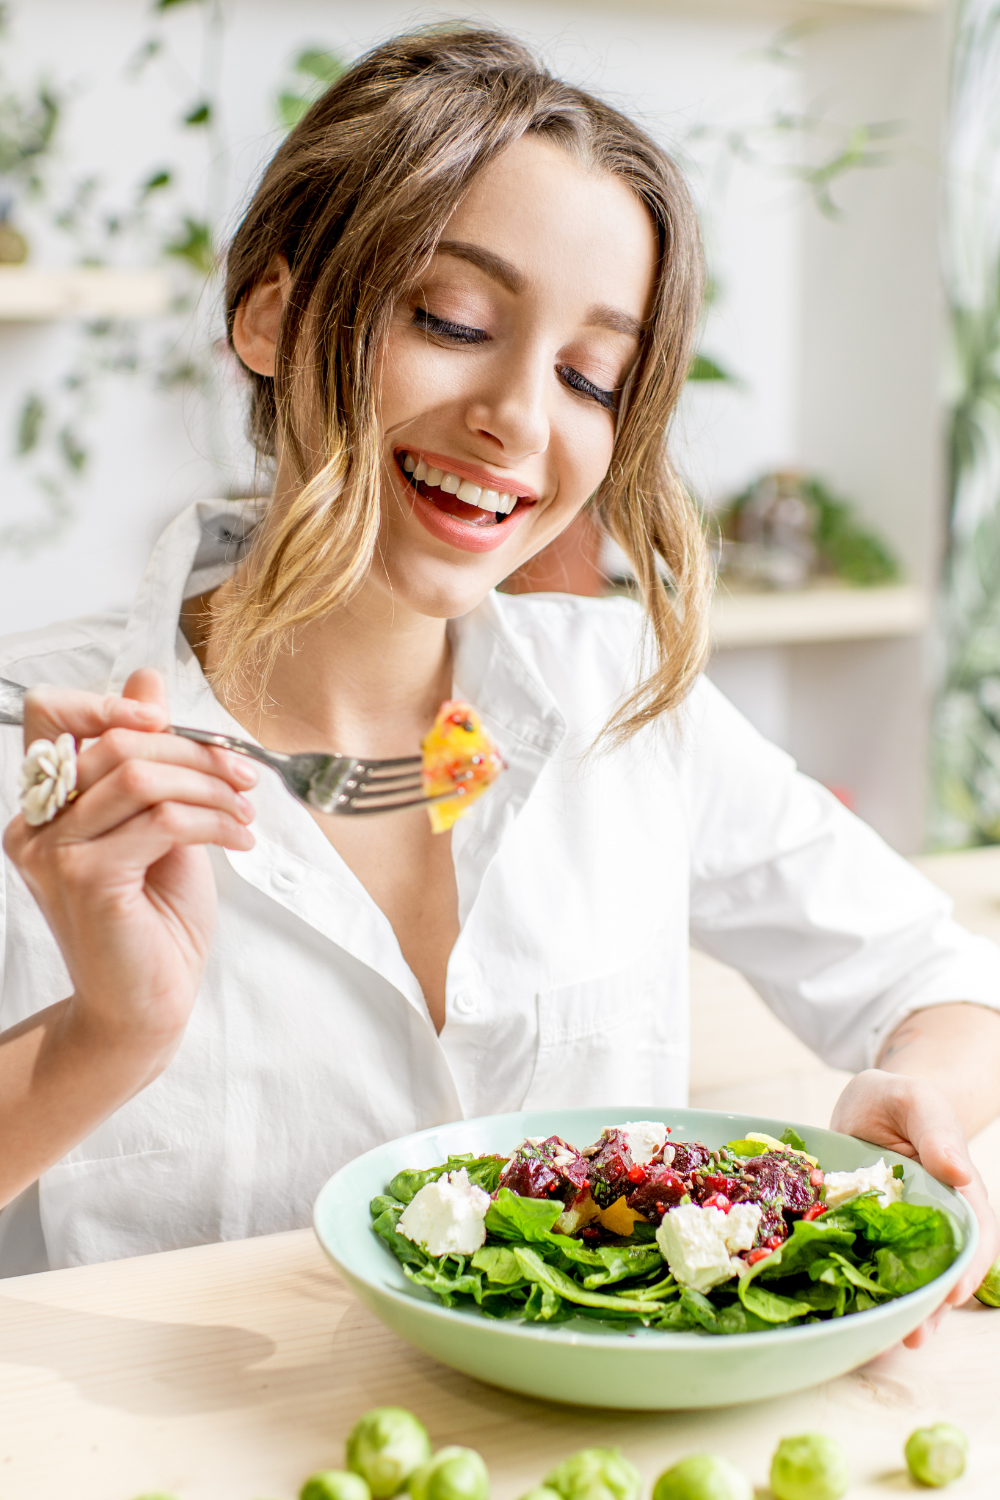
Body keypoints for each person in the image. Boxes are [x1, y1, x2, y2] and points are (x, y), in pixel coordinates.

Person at [0, 29, 997, 1343]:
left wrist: (916, 1096)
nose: (523, 423)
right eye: (453, 321)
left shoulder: (621, 698)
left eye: (593, 376)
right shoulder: (46, 744)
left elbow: (939, 980)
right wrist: (109, 1035)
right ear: (275, 314)